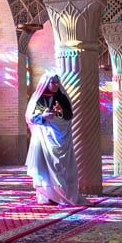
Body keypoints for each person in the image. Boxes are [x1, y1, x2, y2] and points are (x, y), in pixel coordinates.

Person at [24, 72, 88, 206]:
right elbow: (31, 117)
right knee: (45, 167)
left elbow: (69, 115)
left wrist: (61, 111)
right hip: (45, 139)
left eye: (57, 82)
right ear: (46, 83)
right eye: (53, 82)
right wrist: (43, 116)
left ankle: (63, 194)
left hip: (61, 138)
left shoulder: (62, 97)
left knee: (61, 166)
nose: (56, 85)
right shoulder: (39, 99)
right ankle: (48, 195)